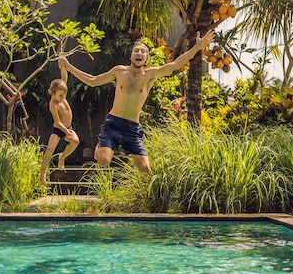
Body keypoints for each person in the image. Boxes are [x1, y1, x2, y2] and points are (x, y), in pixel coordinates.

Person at [58, 30, 215, 173]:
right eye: (136, 50)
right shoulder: (119, 71)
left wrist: (197, 47)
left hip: (132, 128)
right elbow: (93, 81)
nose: (139, 53)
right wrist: (69, 67)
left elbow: (175, 64)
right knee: (104, 160)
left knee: (145, 169)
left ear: (146, 58)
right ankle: (101, 147)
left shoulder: (150, 75)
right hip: (113, 123)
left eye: (143, 51)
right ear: (131, 55)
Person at [39, 62, 80, 185]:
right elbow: (57, 122)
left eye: (65, 94)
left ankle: (62, 157)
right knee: (50, 149)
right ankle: (42, 175)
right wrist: (66, 131)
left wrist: (63, 65)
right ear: (53, 93)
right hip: (59, 129)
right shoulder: (53, 104)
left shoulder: (61, 94)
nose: (63, 97)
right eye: (61, 95)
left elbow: (64, 78)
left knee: (75, 142)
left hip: (67, 127)